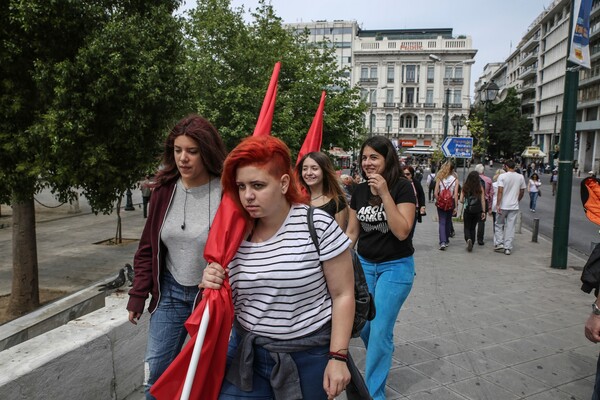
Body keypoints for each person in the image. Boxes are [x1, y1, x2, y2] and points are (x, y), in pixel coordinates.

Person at [202, 135, 358, 400]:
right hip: (246, 356)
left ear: (284, 183)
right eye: (241, 186)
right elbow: (228, 294)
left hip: (308, 357)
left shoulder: (317, 225)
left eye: (258, 185)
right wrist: (211, 278)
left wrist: (338, 357)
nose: (247, 196)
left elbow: (343, 294)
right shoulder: (233, 233)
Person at [126, 115, 227, 399]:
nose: (183, 158)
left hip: (210, 299)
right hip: (169, 293)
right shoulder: (164, 189)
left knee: (207, 375)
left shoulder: (228, 192)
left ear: (206, 152)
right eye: (177, 150)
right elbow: (148, 247)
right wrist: (138, 295)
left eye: (192, 151)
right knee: (155, 375)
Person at [346, 136, 416, 400]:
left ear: (388, 159)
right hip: (364, 266)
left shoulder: (402, 187)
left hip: (395, 268)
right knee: (364, 327)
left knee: (379, 332)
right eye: (364, 157)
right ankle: (383, 346)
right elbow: (352, 233)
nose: (368, 163)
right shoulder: (360, 191)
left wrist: (385, 193)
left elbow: (401, 232)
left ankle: (373, 395)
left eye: (374, 157)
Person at [297, 152, 350, 231]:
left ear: (324, 172)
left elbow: (340, 238)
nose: (308, 173)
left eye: (314, 168)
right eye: (304, 169)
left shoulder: (337, 201)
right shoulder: (297, 201)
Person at [494, 160, 526, 256]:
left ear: (506, 166)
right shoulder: (520, 177)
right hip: (514, 205)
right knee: (510, 227)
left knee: (499, 224)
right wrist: (517, 200)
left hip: (503, 205)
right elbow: (522, 191)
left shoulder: (502, 176)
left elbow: (500, 191)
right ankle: (508, 247)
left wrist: (498, 204)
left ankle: (499, 243)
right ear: (514, 167)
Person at [434, 161, 459, 250]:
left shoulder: (439, 178)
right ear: (453, 169)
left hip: (441, 202)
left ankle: (442, 242)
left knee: (442, 222)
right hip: (450, 202)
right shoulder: (455, 180)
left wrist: (438, 200)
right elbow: (455, 194)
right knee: (448, 221)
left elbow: (436, 192)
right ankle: (447, 239)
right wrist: (456, 206)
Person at [459, 171, 486, 252]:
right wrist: (483, 212)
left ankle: (468, 239)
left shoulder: (465, 186)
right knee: (473, 227)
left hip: (468, 210)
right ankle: (472, 243)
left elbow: (461, 200)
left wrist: (466, 202)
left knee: (467, 227)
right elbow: (483, 200)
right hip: (477, 211)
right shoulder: (480, 187)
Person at [403, 165, 426, 232]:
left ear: (412, 175)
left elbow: (421, 194)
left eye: (407, 174)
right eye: (403, 174)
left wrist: (422, 206)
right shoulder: (399, 183)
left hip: (414, 210)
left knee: (410, 230)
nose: (405, 176)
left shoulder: (416, 183)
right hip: (402, 210)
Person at [475, 164, 493, 245]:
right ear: (483, 171)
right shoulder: (488, 180)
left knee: (472, 220)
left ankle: (471, 237)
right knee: (481, 221)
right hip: (484, 202)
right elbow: (491, 194)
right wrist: (489, 207)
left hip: (474, 201)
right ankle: (480, 239)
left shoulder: (473, 179)